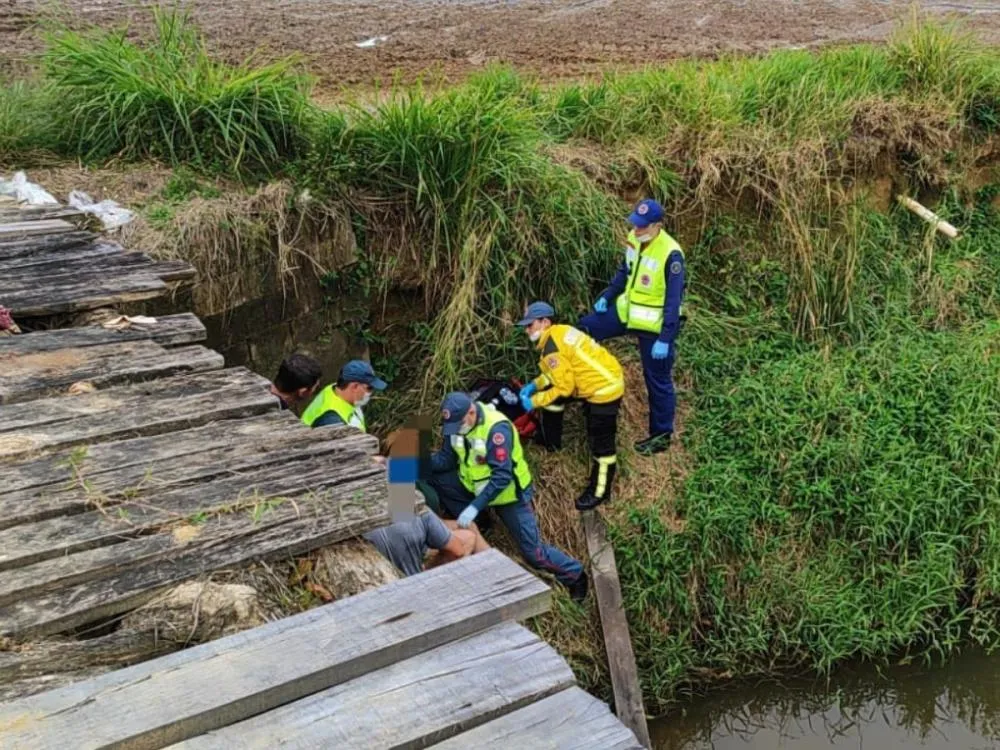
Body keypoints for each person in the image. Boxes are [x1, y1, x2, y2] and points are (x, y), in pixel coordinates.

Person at [425, 391, 589, 601]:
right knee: (436, 478)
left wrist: (474, 506)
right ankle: (482, 521)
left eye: (458, 424)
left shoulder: (496, 430)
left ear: (472, 412)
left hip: (508, 496)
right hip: (473, 487)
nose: (455, 430)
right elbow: (446, 460)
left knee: (534, 553)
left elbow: (502, 477)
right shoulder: (456, 424)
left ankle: (575, 575)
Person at [577, 198, 686, 455]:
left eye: (642, 227)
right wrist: (607, 295)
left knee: (657, 379)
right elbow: (624, 272)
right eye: (635, 225)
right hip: (626, 312)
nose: (636, 230)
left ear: (657, 226)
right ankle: (582, 387)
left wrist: (666, 337)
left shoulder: (672, 254)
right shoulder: (634, 238)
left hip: (655, 327)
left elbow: (673, 301)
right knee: (584, 329)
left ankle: (660, 435)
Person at [515, 301, 624, 511]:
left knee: (602, 446)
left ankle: (600, 491)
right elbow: (557, 374)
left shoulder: (551, 347)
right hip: (602, 377)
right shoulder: (559, 333)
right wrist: (534, 385)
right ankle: (551, 440)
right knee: (553, 401)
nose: (527, 330)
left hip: (603, 391)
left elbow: (564, 387)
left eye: (531, 325)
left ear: (545, 322)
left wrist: (534, 401)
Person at [363, 508, 486, 577]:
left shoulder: (355, 516)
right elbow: (458, 551)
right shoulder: (416, 507)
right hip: (413, 578)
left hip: (374, 581)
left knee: (469, 530)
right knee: (467, 537)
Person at [300, 359, 387, 431]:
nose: (371, 393)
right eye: (369, 388)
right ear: (355, 386)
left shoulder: (334, 389)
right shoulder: (333, 421)